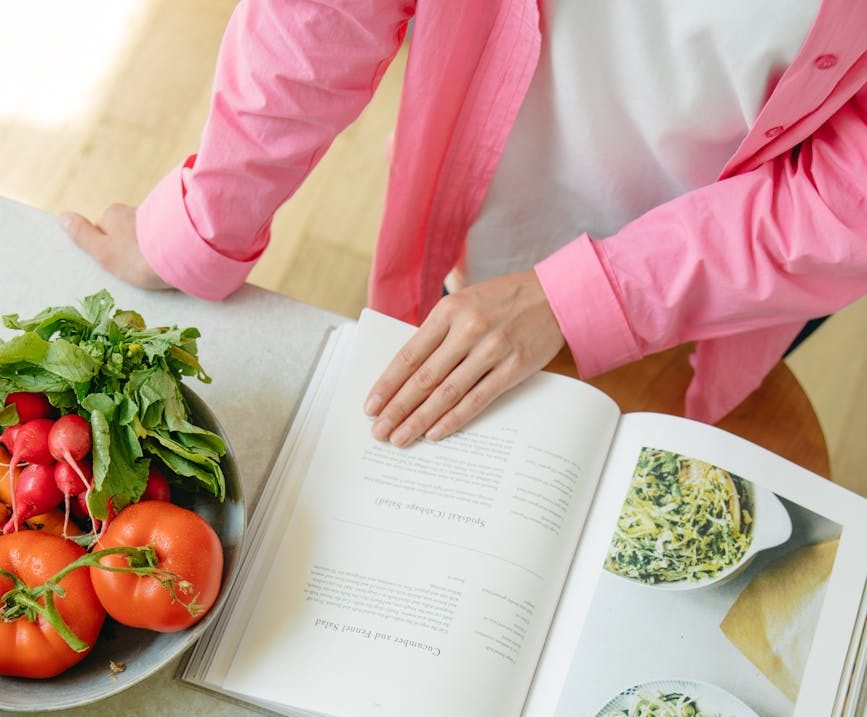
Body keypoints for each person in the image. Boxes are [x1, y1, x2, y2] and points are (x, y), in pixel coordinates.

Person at [61, 0, 867, 449]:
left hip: (736, 267)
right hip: (499, 190)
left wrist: (581, 298)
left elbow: (847, 196)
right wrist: (203, 224)